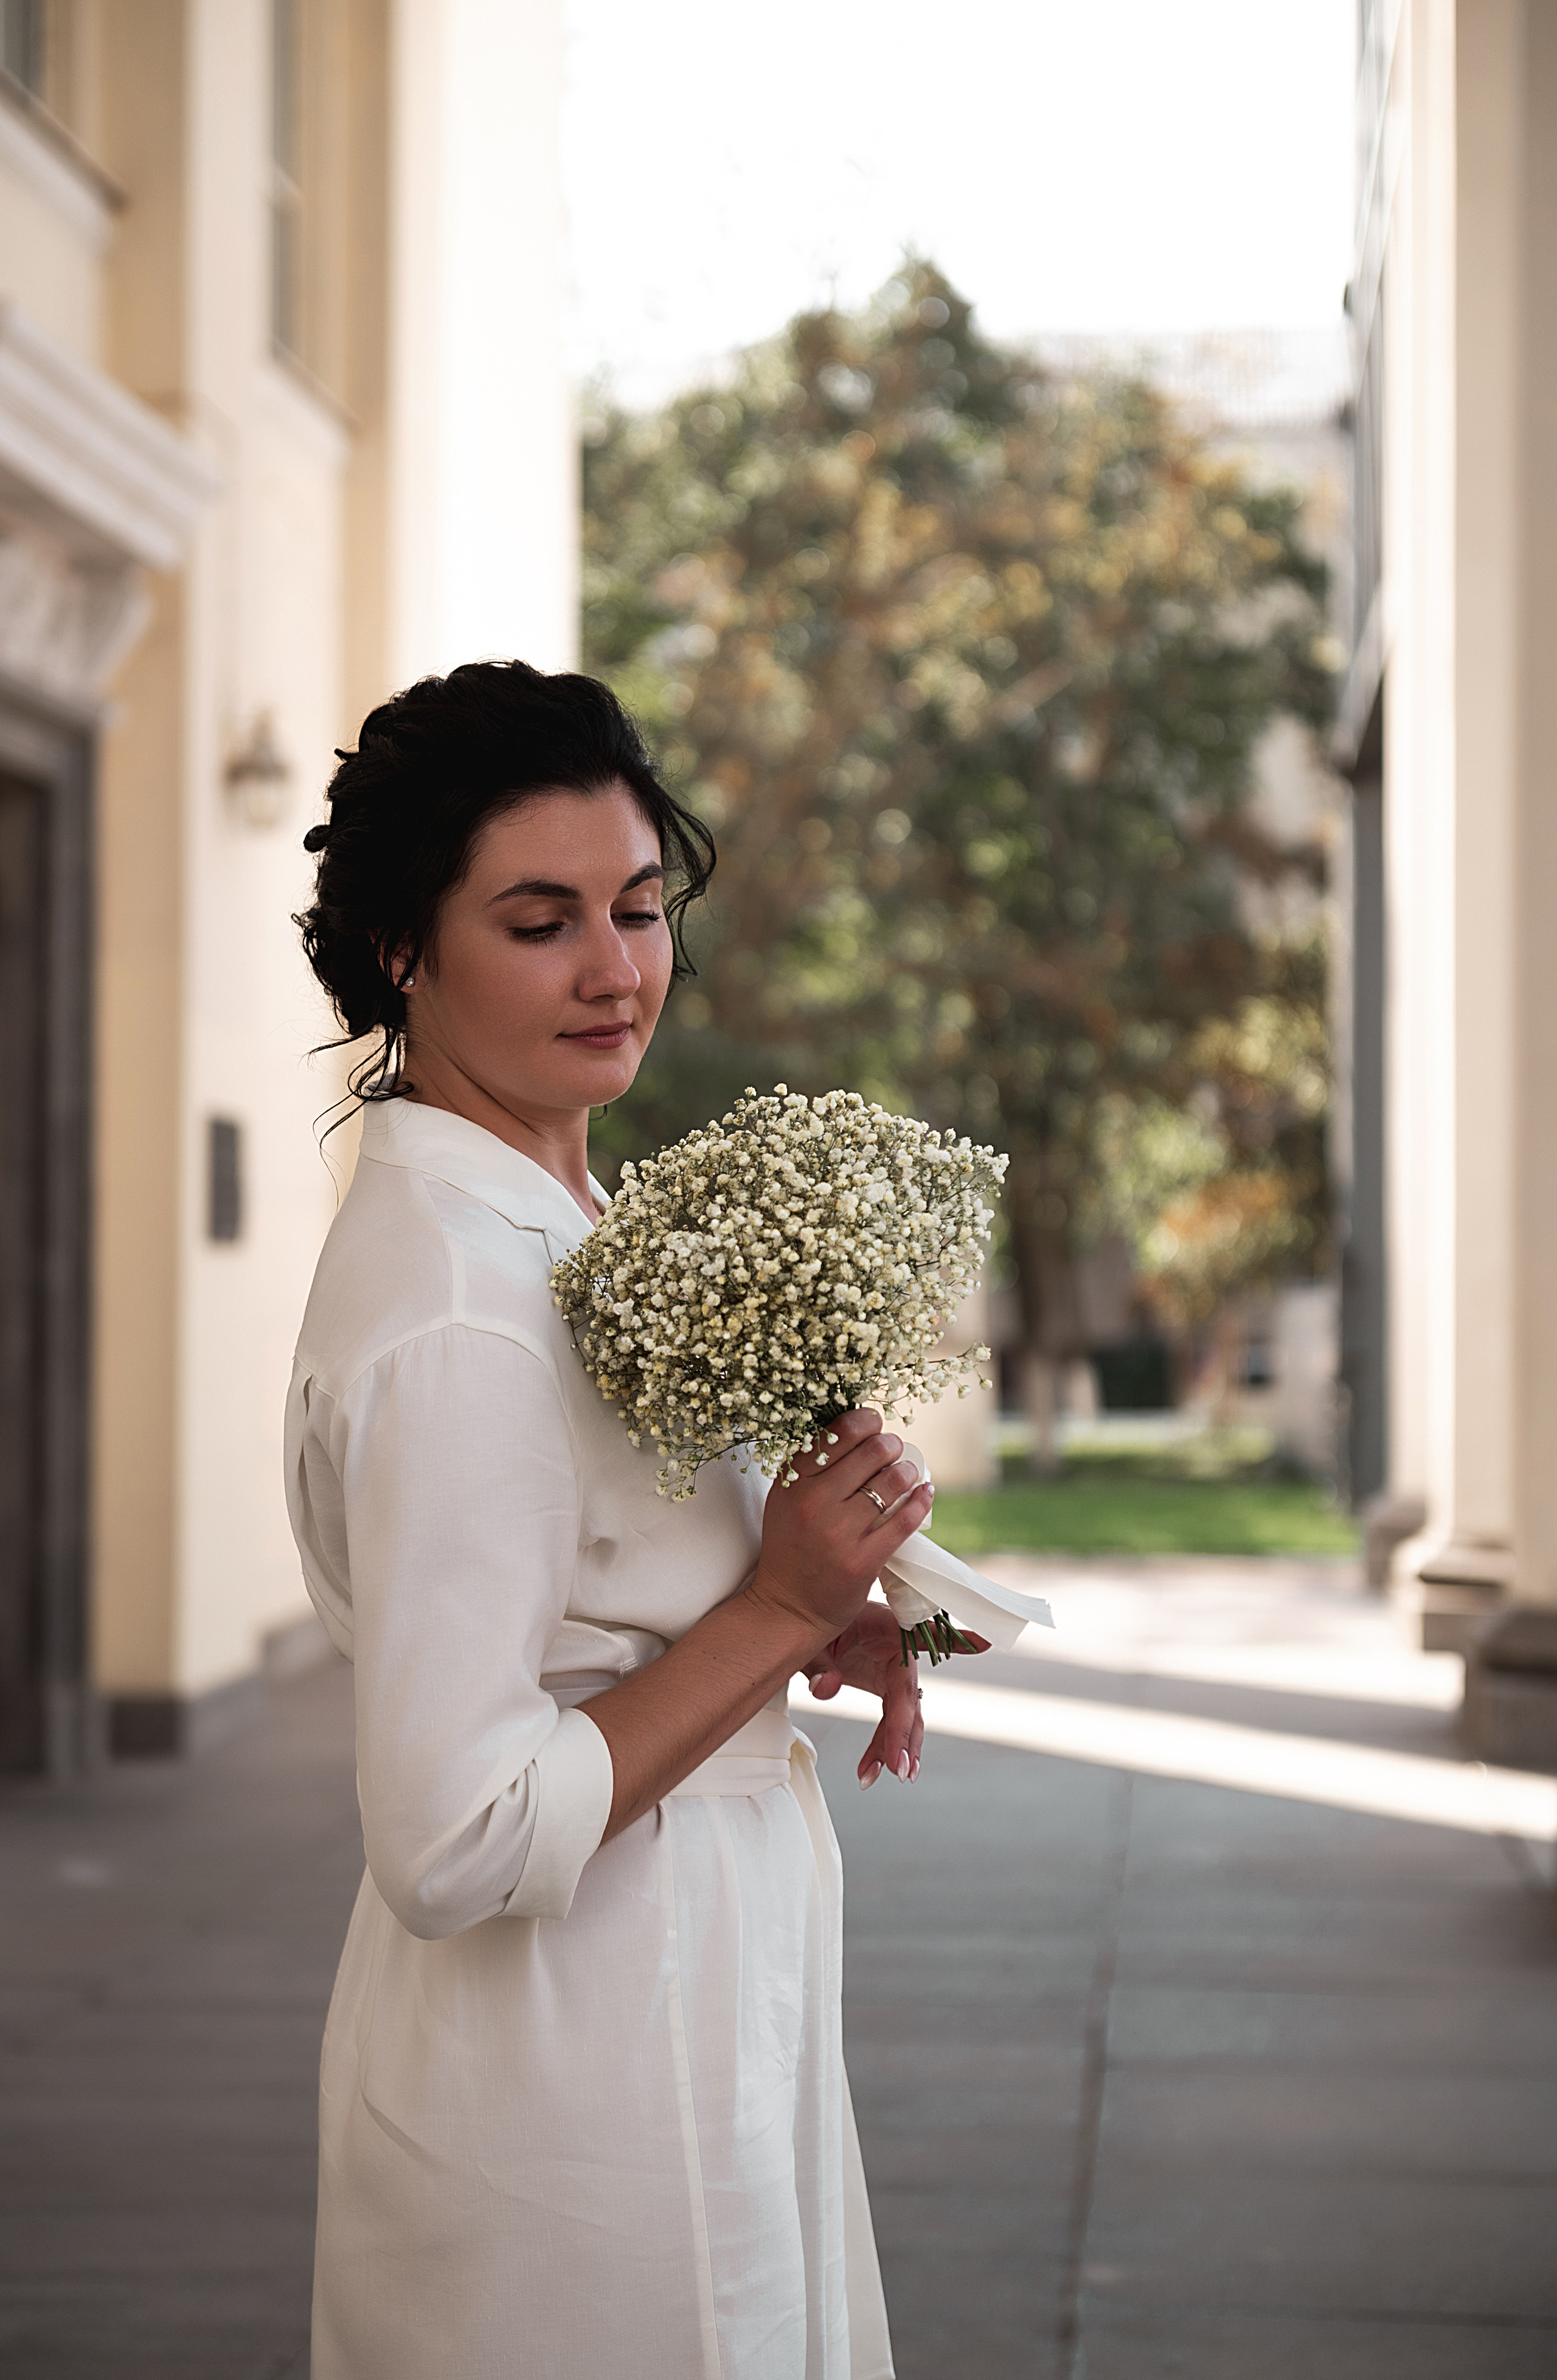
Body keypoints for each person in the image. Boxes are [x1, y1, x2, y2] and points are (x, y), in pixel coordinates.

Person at [286, 660, 980, 2379]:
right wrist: (768, 1609)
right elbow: (454, 1835)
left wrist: (805, 1605)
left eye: (641, 907)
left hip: (680, 2005)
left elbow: (582, 1593)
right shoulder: (463, 1308)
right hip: (580, 2072)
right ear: (401, 946)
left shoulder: (551, 1226)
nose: (616, 969)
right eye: (540, 922)